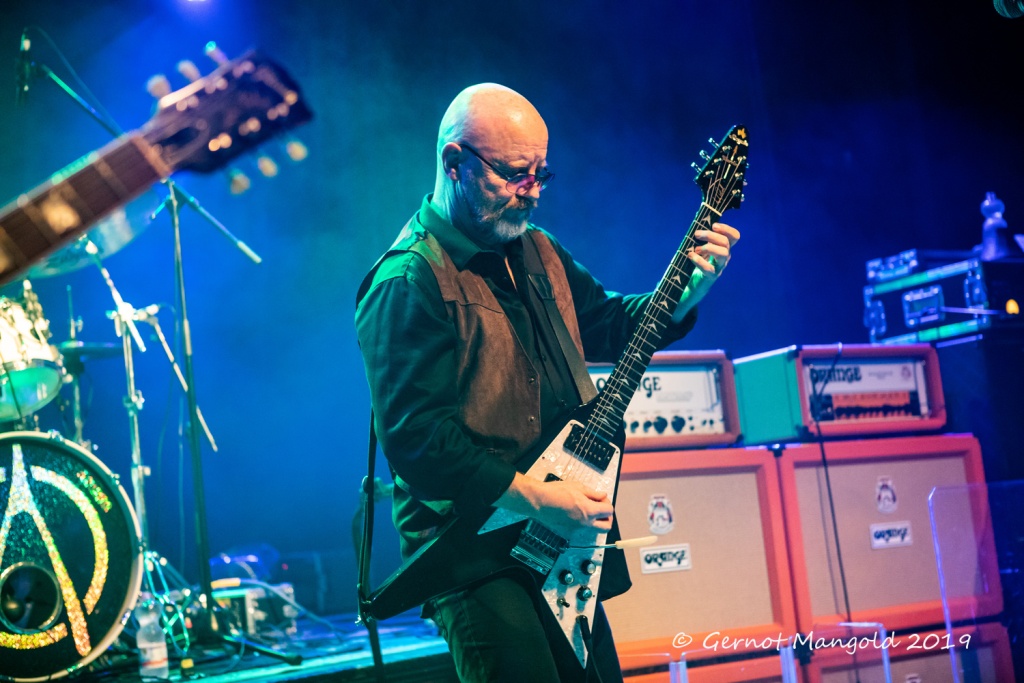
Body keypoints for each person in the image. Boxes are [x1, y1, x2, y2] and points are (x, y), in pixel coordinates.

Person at [355, 83, 740, 683]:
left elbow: (610, 324)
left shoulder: (537, 250)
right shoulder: (407, 281)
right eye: (515, 174)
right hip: (474, 556)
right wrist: (541, 497)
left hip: (556, 537)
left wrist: (687, 292)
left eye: (541, 174)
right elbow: (419, 444)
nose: (532, 191)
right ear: (454, 162)